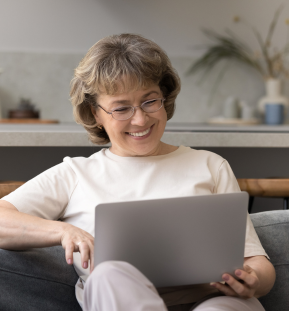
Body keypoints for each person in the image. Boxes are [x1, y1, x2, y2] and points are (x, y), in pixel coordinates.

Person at [0, 34, 275, 311]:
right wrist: (64, 231)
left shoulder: (210, 165)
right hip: (123, 301)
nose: (140, 119)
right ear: (95, 113)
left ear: (164, 98)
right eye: (121, 108)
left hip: (212, 301)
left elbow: (258, 264)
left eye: (149, 101)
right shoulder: (75, 173)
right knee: (107, 275)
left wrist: (253, 280)